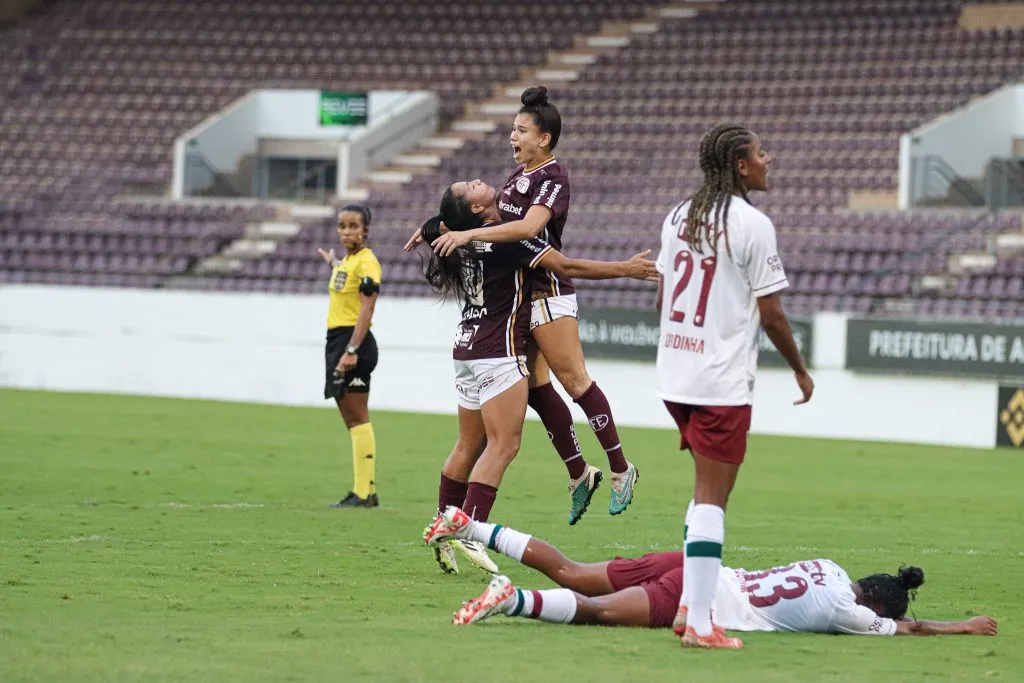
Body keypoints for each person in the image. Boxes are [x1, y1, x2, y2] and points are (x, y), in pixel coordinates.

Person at [407, 86, 637, 525]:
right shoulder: (514, 178)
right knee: (532, 388)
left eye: (520, 130)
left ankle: (622, 470)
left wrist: (467, 233)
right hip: (518, 296)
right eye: (511, 129)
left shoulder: (554, 176)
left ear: (543, 138)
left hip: (548, 286)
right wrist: (435, 224)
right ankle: (578, 473)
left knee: (574, 382)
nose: (512, 137)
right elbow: (482, 212)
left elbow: (526, 227)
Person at [419, 180, 658, 574]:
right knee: (503, 446)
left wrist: (430, 228)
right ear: (476, 210)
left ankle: (441, 526)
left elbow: (435, 227)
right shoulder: (507, 241)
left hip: (465, 347)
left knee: (468, 445)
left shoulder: (454, 238)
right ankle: (469, 532)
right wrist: (626, 269)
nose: (478, 181)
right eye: (470, 188)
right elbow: (566, 266)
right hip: (498, 352)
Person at [654, 124, 814, 648]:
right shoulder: (752, 224)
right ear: (741, 166)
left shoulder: (679, 215)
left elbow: (664, 297)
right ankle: (700, 625)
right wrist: (799, 367)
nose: (768, 160)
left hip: (675, 375)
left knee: (703, 492)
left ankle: (686, 608)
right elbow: (772, 315)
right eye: (760, 153)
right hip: (720, 381)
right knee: (711, 501)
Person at [425, 506, 999, 641]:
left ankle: (471, 525)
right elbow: (912, 630)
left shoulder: (829, 567)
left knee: (574, 571)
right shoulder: (848, 616)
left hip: (694, 565)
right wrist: (965, 625)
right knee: (597, 614)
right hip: (700, 602)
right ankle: (510, 599)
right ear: (874, 605)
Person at [317, 204, 382, 509]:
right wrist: (333, 264)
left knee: (357, 417)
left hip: (353, 343)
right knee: (350, 419)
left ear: (365, 230)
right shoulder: (348, 262)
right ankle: (365, 489)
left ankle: (364, 494)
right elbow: (345, 282)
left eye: (353, 226)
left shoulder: (367, 262)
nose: (346, 231)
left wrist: (352, 351)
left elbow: (367, 310)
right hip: (338, 341)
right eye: (342, 226)